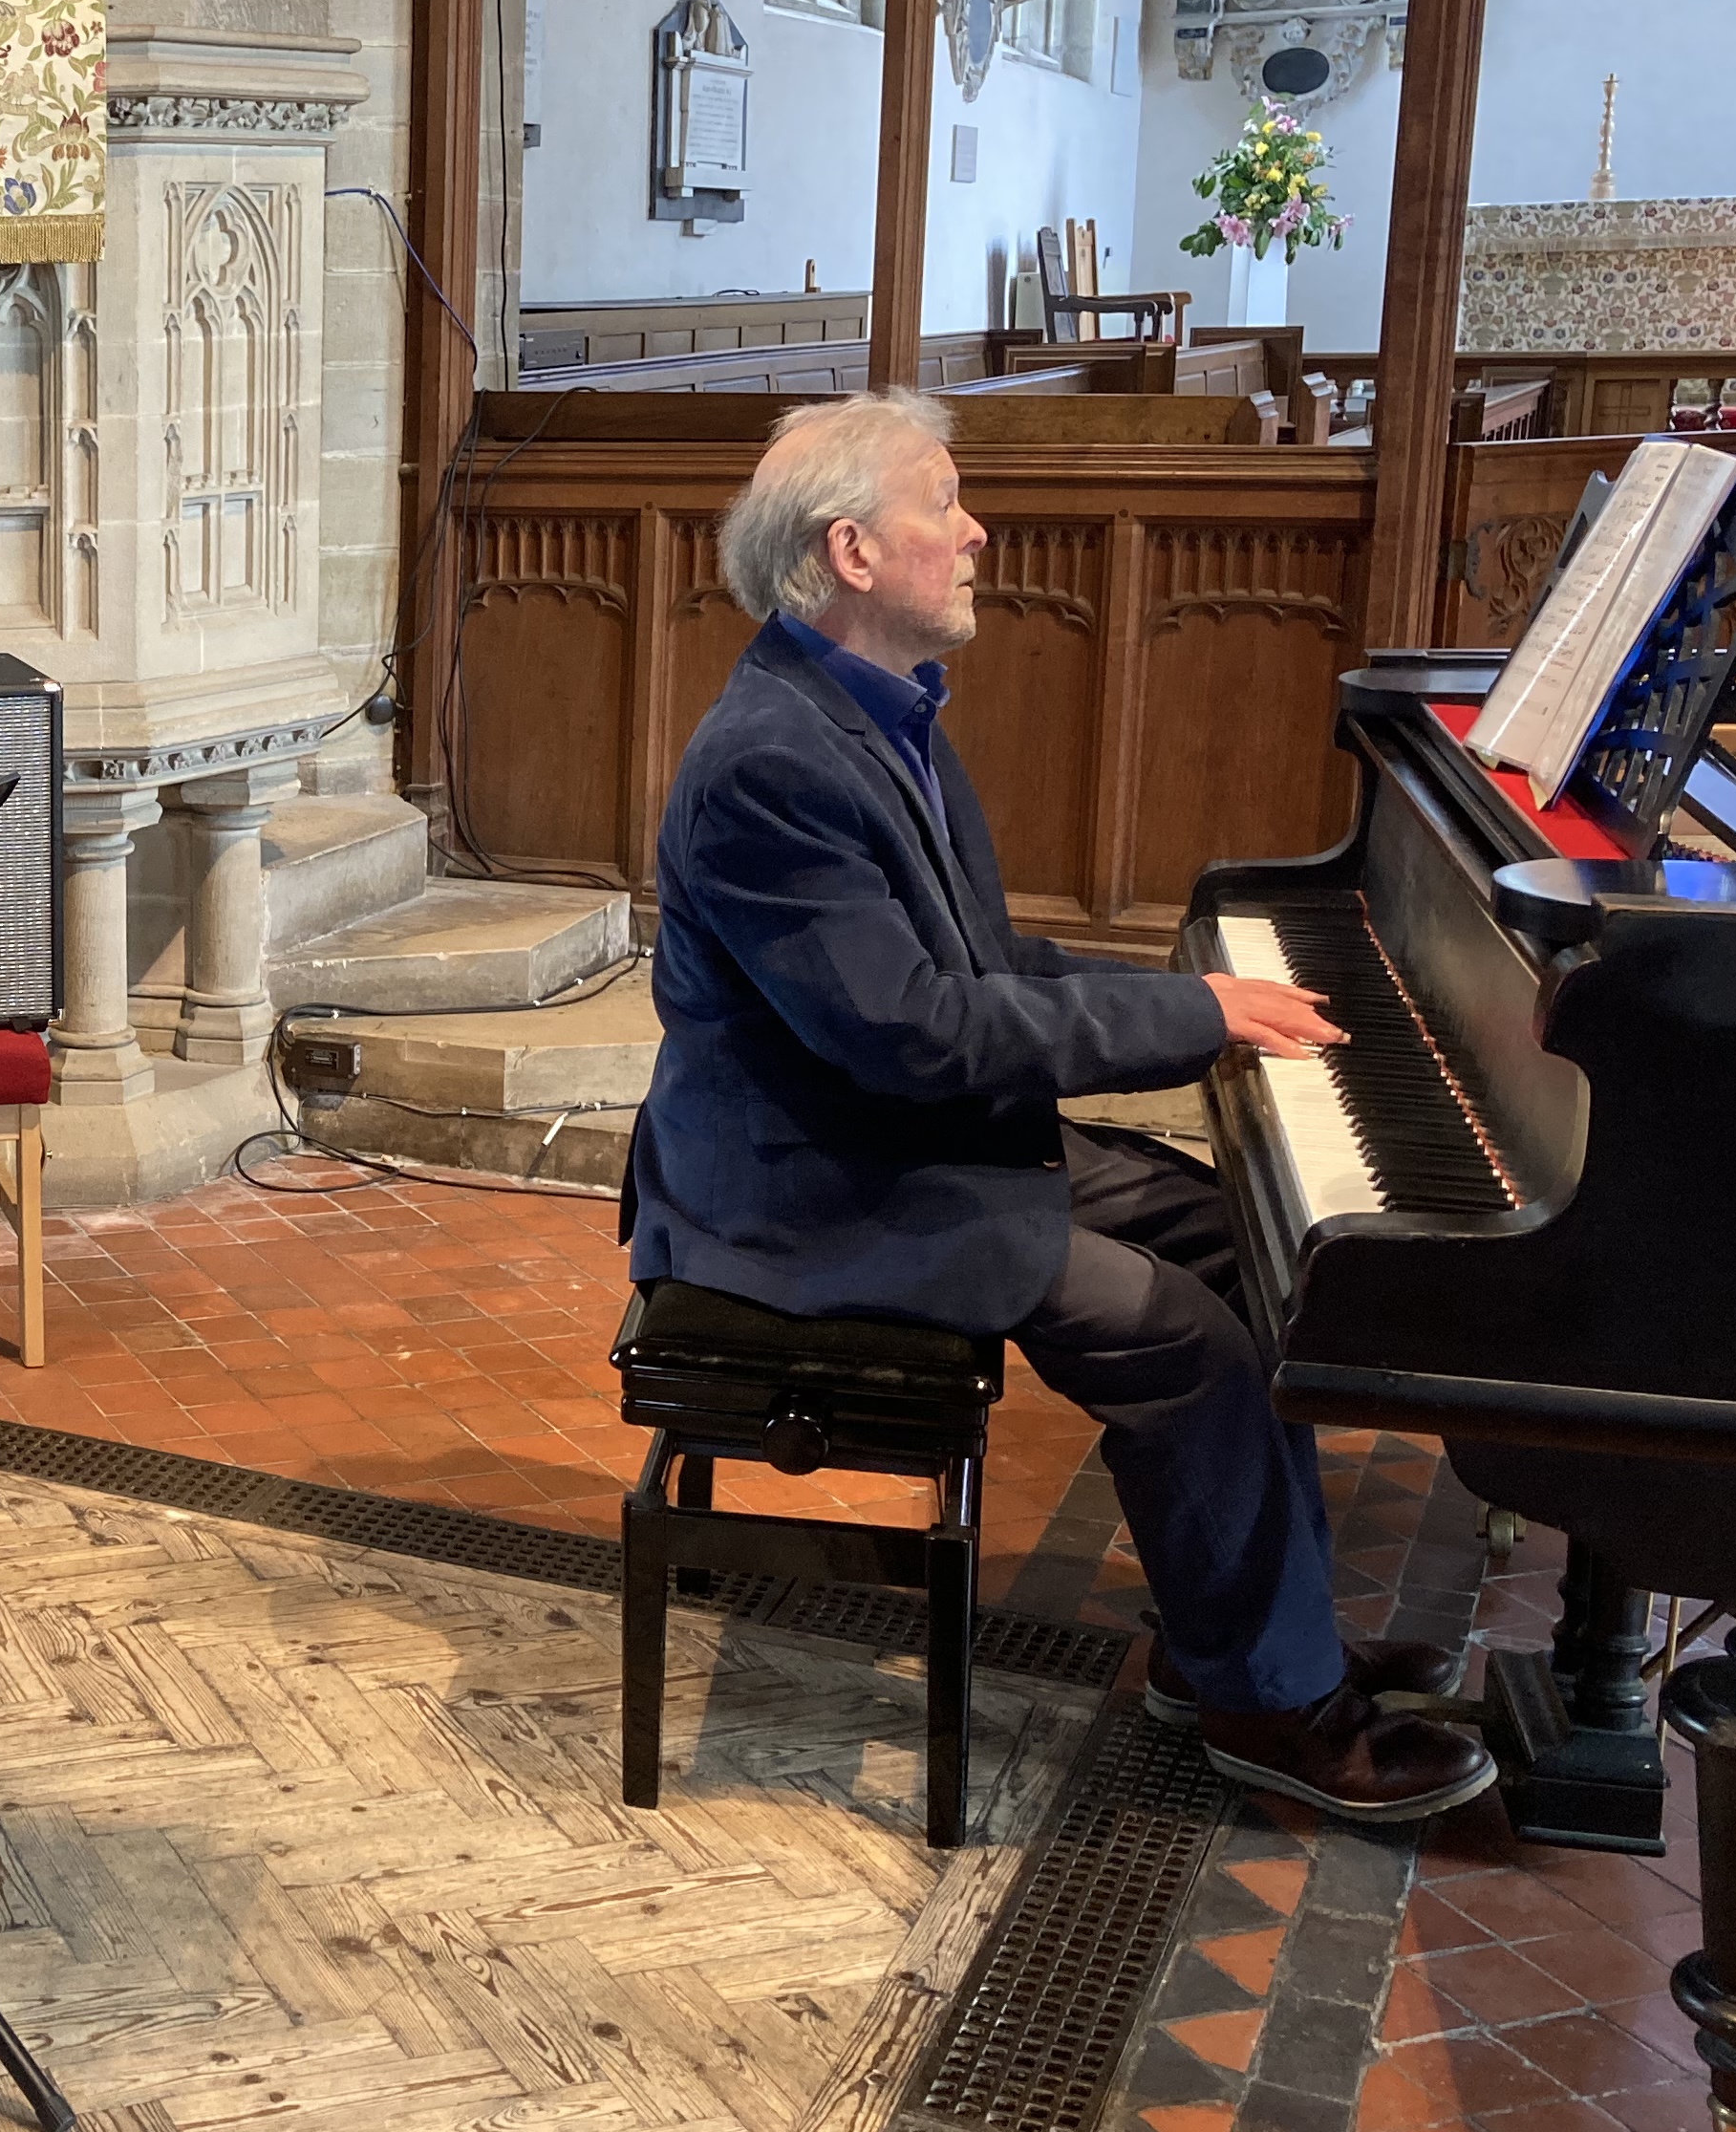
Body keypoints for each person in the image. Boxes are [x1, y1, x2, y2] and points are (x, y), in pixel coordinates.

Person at [632, 393, 1491, 1826]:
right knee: (1188, 1345)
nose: (976, 534)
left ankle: (1235, 1640)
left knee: (1246, 1241)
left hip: (891, 1140)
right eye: (944, 506)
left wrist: (1198, 995)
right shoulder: (773, 763)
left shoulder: (877, 712)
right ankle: (1272, 1711)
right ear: (851, 550)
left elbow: (985, 968)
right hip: (810, 1195)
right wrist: (1189, 1023)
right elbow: (917, 1033)